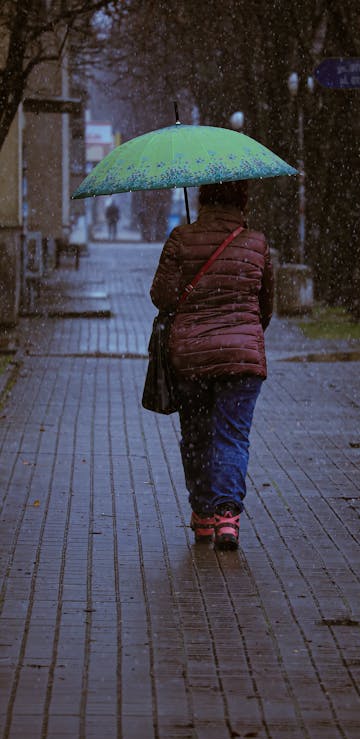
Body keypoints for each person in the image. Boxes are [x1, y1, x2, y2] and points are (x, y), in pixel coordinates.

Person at [150, 180, 273, 550]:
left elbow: (161, 296)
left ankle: (202, 515)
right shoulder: (257, 243)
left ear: (203, 197)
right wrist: (242, 335)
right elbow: (265, 305)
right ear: (243, 199)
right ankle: (227, 518)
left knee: (197, 437)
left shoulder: (181, 237)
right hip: (242, 359)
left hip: (192, 357)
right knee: (232, 436)